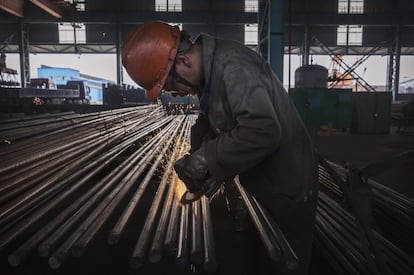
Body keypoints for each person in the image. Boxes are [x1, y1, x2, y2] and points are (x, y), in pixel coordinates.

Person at [122, 21, 319, 275]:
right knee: (258, 258)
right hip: (264, 184)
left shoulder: (233, 65)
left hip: (288, 187)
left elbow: (262, 130)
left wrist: (207, 158)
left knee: (282, 264)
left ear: (182, 61)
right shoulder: (212, 74)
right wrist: (198, 157)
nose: (178, 95)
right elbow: (212, 123)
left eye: (171, 87)